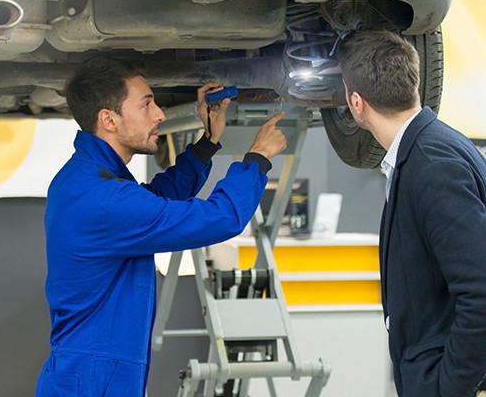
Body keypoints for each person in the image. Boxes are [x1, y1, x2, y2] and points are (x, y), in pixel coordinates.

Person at [35, 55, 286, 396]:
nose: (161, 115)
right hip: (94, 379)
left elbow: (153, 201)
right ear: (109, 119)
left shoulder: (87, 178)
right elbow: (221, 217)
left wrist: (206, 144)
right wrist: (257, 159)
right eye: (147, 105)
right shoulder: (104, 199)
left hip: (91, 370)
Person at [336, 30, 486, 397]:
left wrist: (447, 387)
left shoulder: (432, 165)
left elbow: (481, 290)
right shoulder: (429, 146)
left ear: (357, 102)